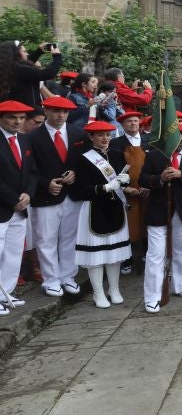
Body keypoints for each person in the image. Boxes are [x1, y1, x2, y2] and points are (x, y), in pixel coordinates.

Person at [28, 96, 88, 297]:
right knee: (46, 239)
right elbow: (28, 169)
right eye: (55, 111)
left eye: (64, 112)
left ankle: (68, 276)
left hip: (72, 194)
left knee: (70, 238)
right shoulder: (32, 137)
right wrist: (46, 183)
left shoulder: (78, 133)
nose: (60, 115)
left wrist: (76, 173)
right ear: (46, 111)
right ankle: (51, 279)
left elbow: (85, 162)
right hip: (45, 197)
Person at [139, 125, 182, 313]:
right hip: (158, 211)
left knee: (181, 250)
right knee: (156, 254)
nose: (181, 139)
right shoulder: (154, 155)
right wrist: (160, 179)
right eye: (177, 135)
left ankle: (179, 284)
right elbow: (142, 179)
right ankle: (152, 295)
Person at [70, 121, 131, 308]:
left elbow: (122, 183)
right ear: (91, 137)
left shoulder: (117, 155)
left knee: (115, 252)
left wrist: (125, 181)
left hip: (115, 208)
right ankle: (98, 293)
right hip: (94, 209)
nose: (105, 139)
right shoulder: (82, 159)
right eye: (100, 135)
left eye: (108, 135)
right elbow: (78, 191)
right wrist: (103, 187)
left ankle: (114, 289)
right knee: (96, 256)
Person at [0, 100, 39, 315]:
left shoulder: (23, 140)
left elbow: (31, 172)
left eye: (21, 118)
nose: (17, 122)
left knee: (14, 251)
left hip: (21, 206)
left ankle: (5, 292)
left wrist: (28, 194)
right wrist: (13, 198)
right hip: (4, 206)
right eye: (12, 117)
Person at [109, 111, 150, 275]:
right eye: (129, 121)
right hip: (127, 192)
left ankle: (147, 255)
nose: (133, 124)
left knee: (147, 223)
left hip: (147, 190)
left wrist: (150, 185)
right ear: (123, 125)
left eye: (135, 121)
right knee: (129, 226)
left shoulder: (149, 141)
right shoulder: (116, 143)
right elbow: (113, 168)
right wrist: (125, 188)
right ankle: (127, 259)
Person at [0, 41, 62, 107]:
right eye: (24, 51)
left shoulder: (9, 67)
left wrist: (39, 51)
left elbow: (28, 63)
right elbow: (48, 74)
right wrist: (57, 57)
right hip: (27, 111)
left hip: (16, 108)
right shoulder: (19, 69)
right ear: (16, 54)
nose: (27, 54)